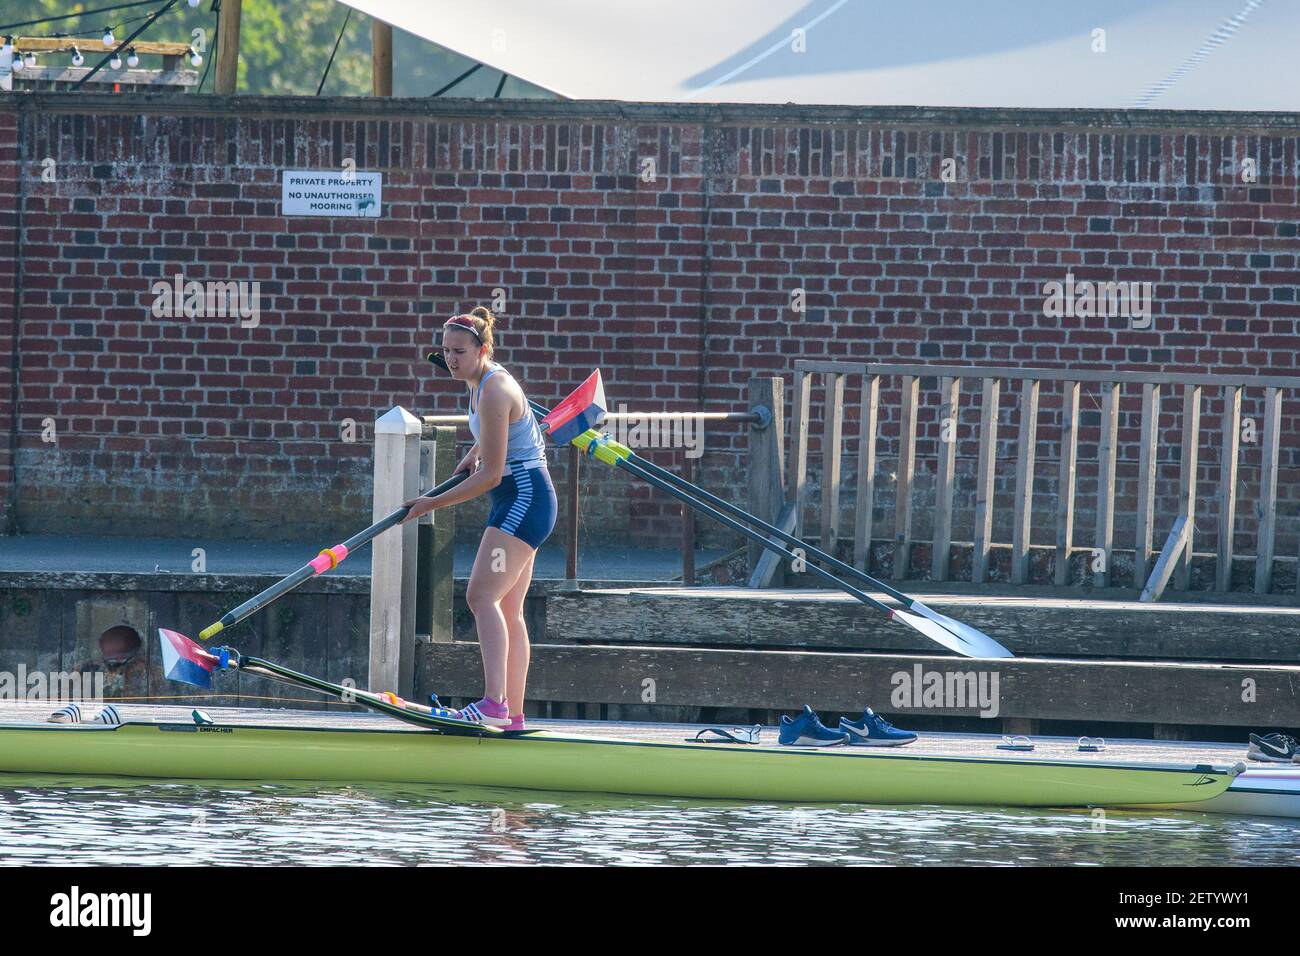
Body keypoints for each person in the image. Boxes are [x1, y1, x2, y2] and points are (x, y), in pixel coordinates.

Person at [401, 308, 556, 730]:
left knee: (479, 597)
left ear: (483, 350)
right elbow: (498, 440)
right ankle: (514, 716)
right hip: (525, 498)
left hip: (523, 497)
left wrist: (428, 505)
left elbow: (491, 476)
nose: (451, 359)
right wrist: (472, 452)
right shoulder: (479, 383)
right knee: (508, 607)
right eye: (447, 351)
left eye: (460, 351)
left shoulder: (493, 388)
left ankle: (493, 705)